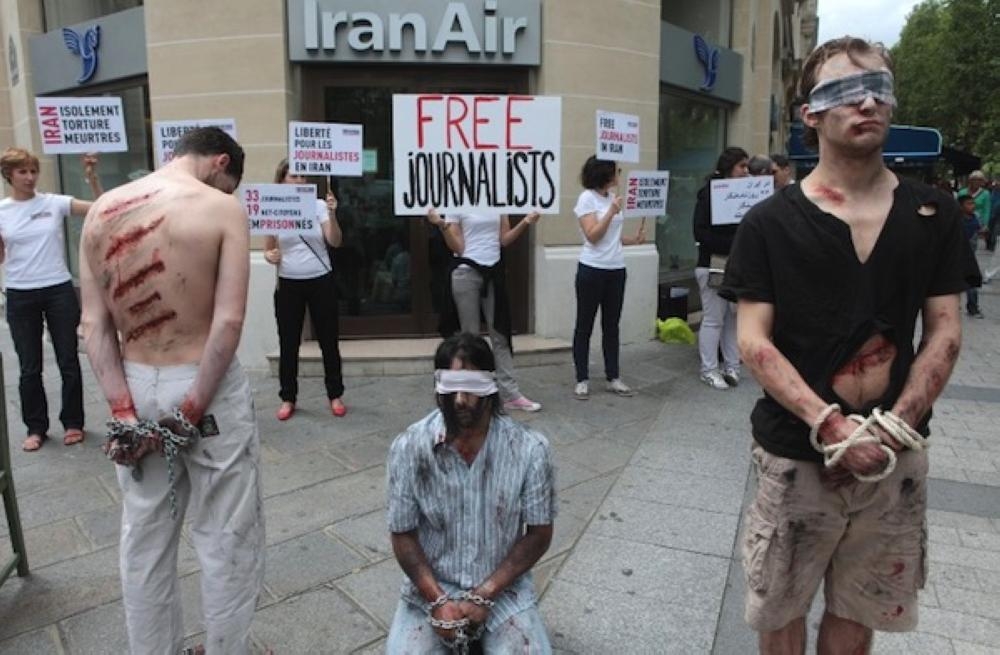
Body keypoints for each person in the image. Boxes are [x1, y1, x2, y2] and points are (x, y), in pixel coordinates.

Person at [722, 37, 975, 654]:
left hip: (895, 462)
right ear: (811, 112)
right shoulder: (769, 223)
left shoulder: (933, 214)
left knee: (860, 613)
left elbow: (944, 330)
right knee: (779, 612)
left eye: (879, 88)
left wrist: (893, 427)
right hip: (797, 457)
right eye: (844, 90)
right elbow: (753, 340)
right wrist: (829, 426)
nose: (866, 101)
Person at [79, 127, 264, 654]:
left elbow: (93, 327)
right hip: (203, 384)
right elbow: (228, 322)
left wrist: (122, 412)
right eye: (228, 183)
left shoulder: (100, 212)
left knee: (145, 534)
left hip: (135, 382)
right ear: (219, 163)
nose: (227, 193)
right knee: (226, 534)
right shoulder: (220, 209)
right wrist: (192, 408)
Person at [386, 332, 556, 653]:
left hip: (504, 587)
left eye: (472, 387)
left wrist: (486, 593)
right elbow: (402, 533)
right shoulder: (408, 448)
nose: (461, 399)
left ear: (491, 389)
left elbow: (539, 533)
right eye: (451, 388)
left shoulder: (531, 450)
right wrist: (436, 599)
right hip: (431, 587)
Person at [0, 148, 102, 451]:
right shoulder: (2, 211)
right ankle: (36, 428)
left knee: (68, 361)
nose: (30, 177)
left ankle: (73, 422)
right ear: (9, 175)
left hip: (58, 289)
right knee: (29, 366)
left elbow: (100, 207)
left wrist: (91, 176)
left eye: (33, 171)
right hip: (20, 293)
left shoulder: (53, 203)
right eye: (23, 172)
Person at [426, 207, 542, 413]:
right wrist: (442, 225)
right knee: (469, 337)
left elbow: (504, 239)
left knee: (501, 334)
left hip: (493, 273)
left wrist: (526, 221)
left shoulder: (498, 201)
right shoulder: (457, 202)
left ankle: (510, 394)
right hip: (466, 272)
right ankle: (471, 392)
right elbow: (458, 247)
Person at [263, 160, 346, 420]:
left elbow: (335, 241)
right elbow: (268, 248)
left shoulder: (319, 205)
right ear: (282, 180)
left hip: (320, 278)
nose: (299, 180)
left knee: (328, 340)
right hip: (289, 282)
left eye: (302, 176)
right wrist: (271, 255)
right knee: (288, 343)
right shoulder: (272, 207)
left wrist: (332, 214)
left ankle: (335, 394)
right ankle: (288, 397)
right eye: (293, 176)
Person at [571, 156, 646, 400]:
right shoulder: (587, 198)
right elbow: (593, 235)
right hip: (592, 268)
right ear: (605, 174)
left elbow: (611, 237)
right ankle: (582, 378)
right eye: (617, 170)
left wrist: (632, 240)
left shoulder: (612, 198)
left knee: (611, 325)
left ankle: (613, 376)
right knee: (585, 324)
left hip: (616, 268)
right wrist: (611, 213)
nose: (619, 174)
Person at [692, 146, 748, 390]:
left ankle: (732, 366)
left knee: (733, 318)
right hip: (713, 263)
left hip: (738, 265)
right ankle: (709, 369)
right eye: (741, 166)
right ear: (729, 167)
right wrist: (736, 242)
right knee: (714, 318)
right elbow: (700, 232)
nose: (746, 171)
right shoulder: (708, 195)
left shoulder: (747, 194)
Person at [958, 194, 984, 317]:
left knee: (972, 282)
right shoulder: (956, 219)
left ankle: (973, 307)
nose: (972, 206)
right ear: (961, 206)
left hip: (970, 256)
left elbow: (980, 230)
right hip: (957, 255)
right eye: (969, 204)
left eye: (973, 203)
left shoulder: (976, 218)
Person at [957, 170, 990, 248]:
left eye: (979, 180)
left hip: (977, 221)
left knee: (973, 245)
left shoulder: (985, 193)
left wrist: (985, 224)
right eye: (975, 179)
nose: (977, 182)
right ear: (970, 180)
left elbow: (986, 210)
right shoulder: (962, 192)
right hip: (963, 220)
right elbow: (957, 207)